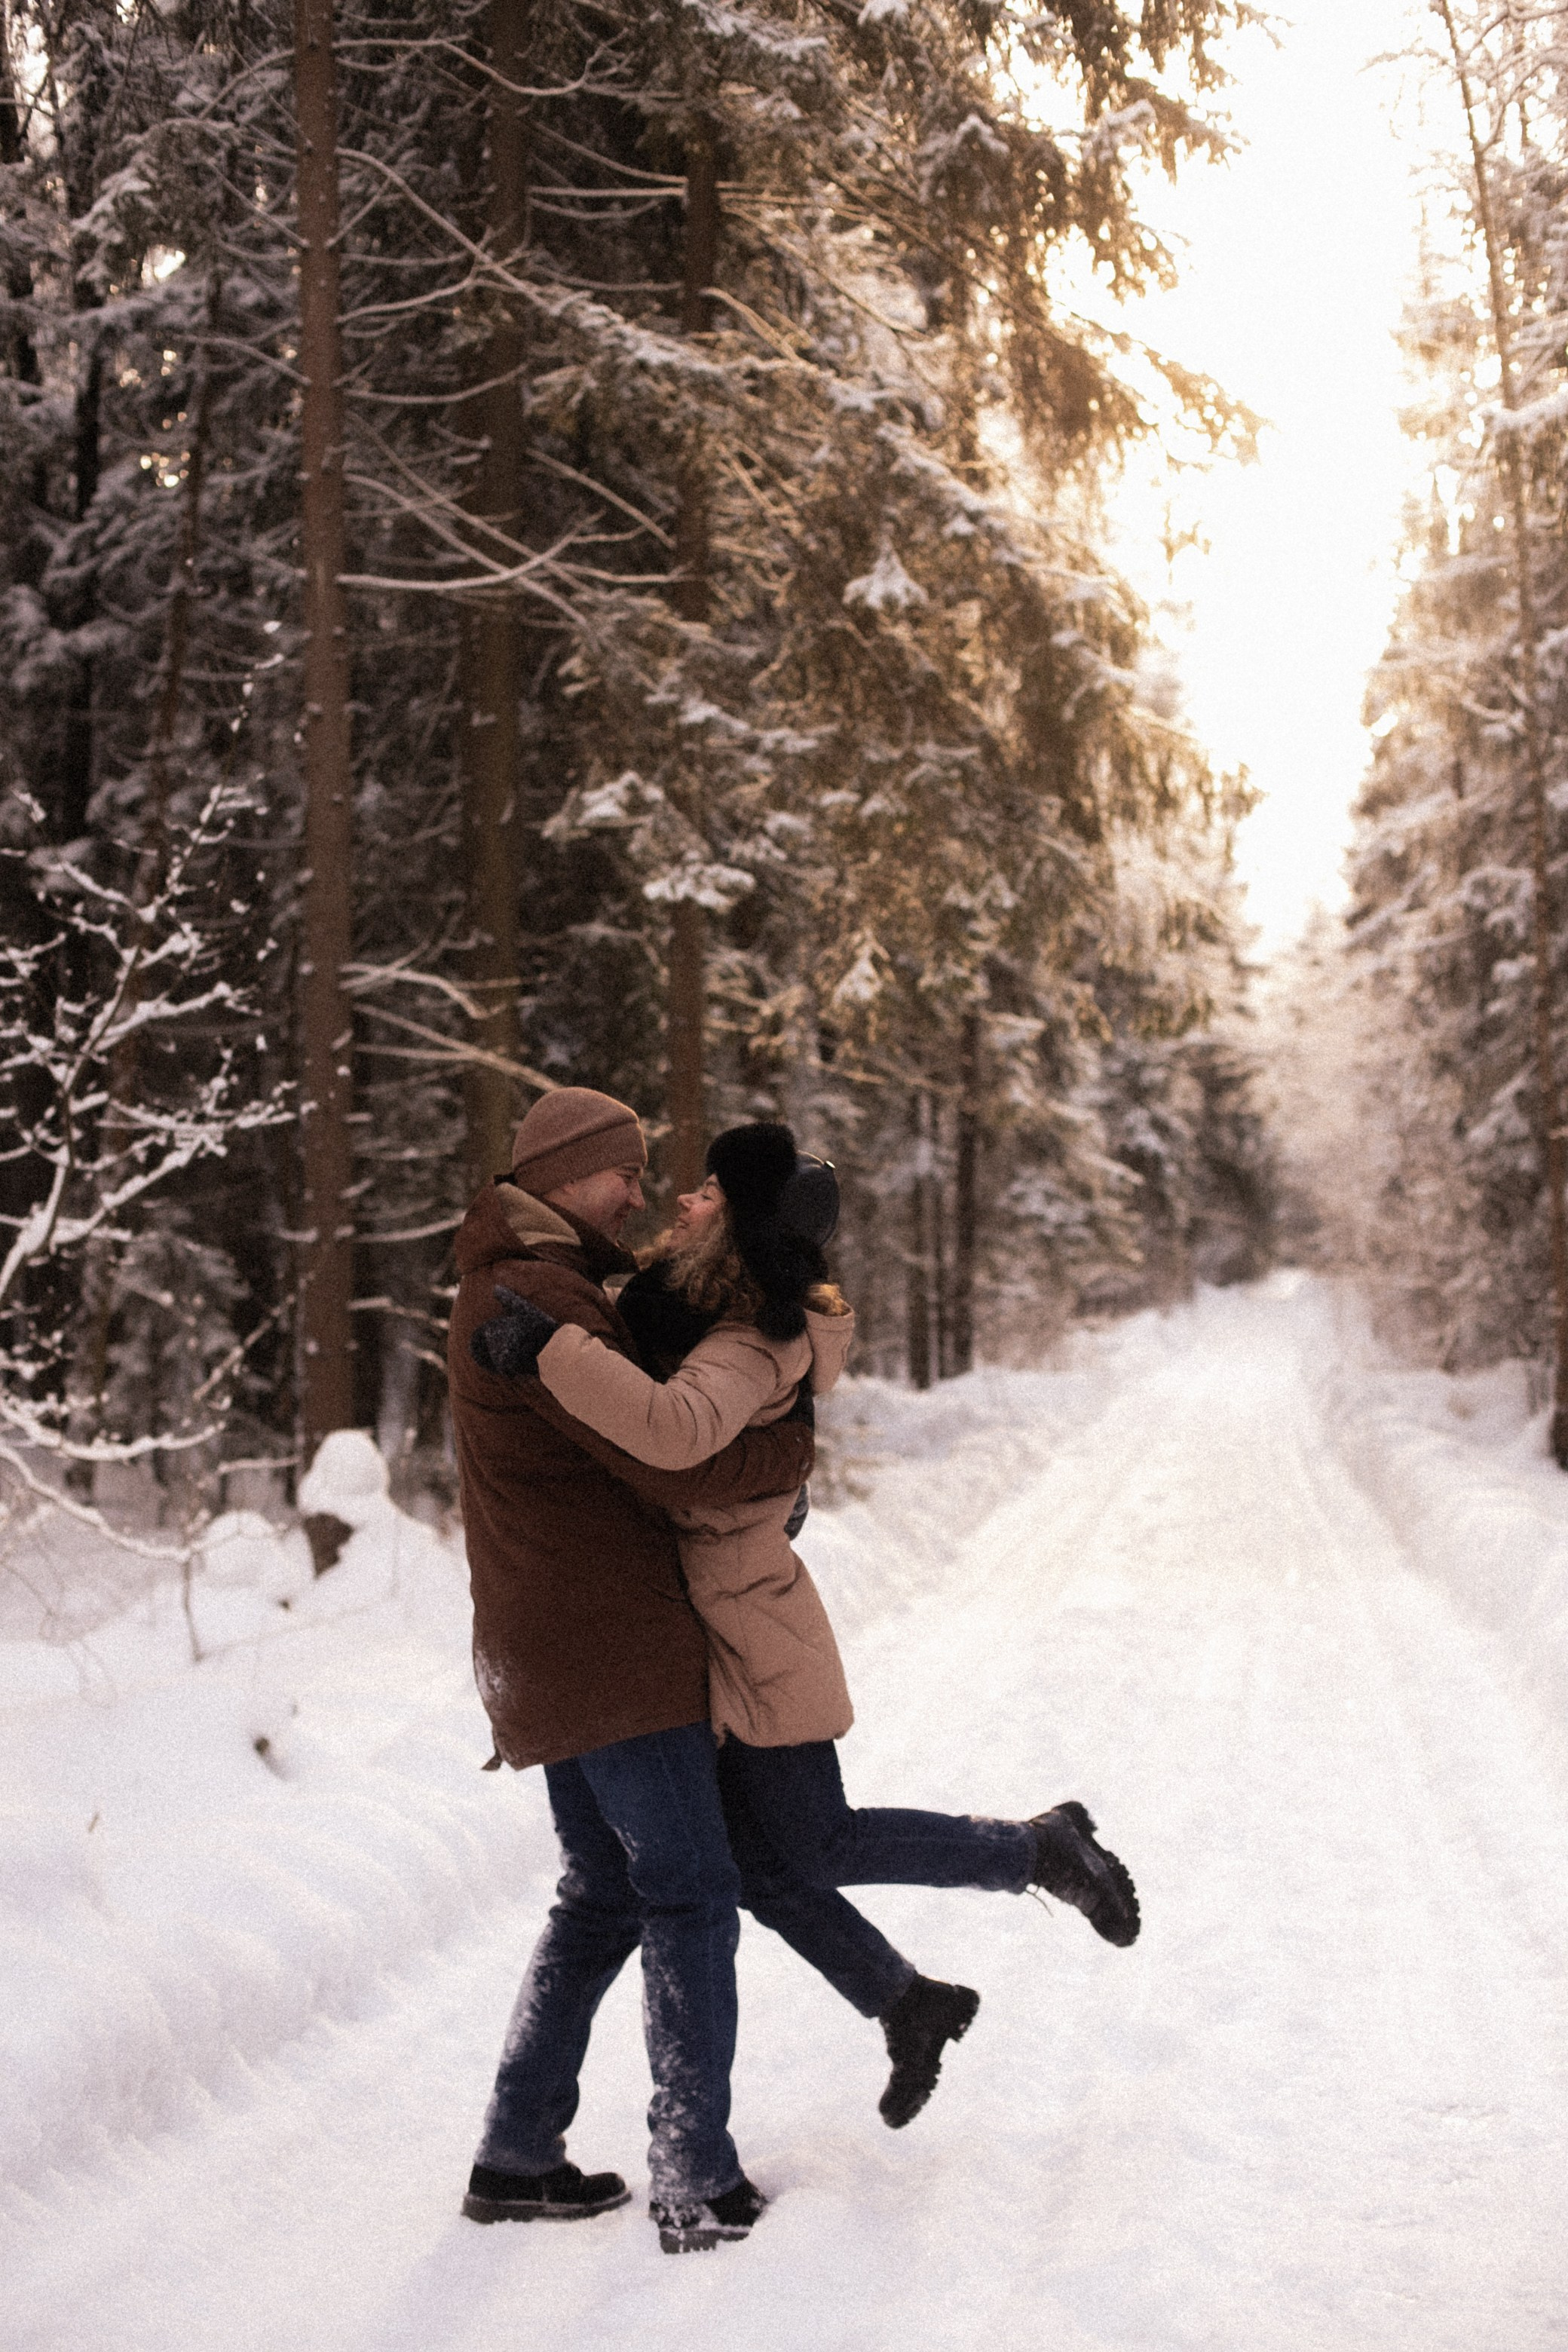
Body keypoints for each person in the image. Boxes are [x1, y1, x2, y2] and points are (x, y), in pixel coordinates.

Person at [470, 1120, 1141, 2137]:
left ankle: (1037, 1851)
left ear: (738, 1226)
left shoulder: (750, 1334)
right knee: (755, 1858)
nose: (680, 1201)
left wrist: (554, 1349)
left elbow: (674, 1435)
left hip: (752, 1626)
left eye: (706, 1194)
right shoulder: (693, 1308)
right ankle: (907, 2002)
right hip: (704, 1628)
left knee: (814, 1840)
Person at [447, 1088, 816, 2254]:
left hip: (546, 1644)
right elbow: (670, 1459)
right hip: (608, 1644)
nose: (641, 1194)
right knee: (690, 1891)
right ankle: (694, 2174)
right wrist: (790, 1450)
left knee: (605, 1890)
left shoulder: (526, 1283)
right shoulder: (541, 1297)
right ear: (568, 1171)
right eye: (627, 1172)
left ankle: (517, 2152)